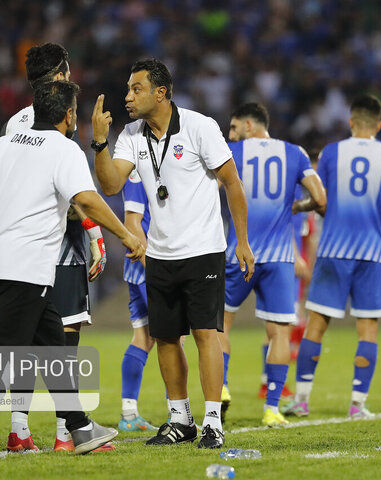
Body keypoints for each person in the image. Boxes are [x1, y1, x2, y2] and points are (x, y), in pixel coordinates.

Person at [0, 80, 144, 458]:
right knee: (3, 355)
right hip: (27, 266)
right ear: (70, 115)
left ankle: (80, 427)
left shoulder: (3, 144)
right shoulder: (64, 149)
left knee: (52, 344)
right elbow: (86, 199)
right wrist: (125, 235)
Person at [91, 58, 254, 449]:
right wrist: (99, 142)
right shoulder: (131, 134)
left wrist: (242, 241)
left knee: (205, 334)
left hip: (203, 251)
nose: (128, 97)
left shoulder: (200, 127)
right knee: (165, 338)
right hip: (159, 253)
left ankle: (213, 421)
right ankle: (180, 418)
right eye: (129, 89)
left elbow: (232, 183)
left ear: (161, 93)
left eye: (137, 89)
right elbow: (111, 184)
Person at [1, 42, 111, 453]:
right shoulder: (62, 117)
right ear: (62, 72)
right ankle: (69, 433)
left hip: (21, 242)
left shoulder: (15, 123)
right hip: (61, 240)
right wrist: (96, 233)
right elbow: (73, 191)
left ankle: (19, 429)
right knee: (66, 330)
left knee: (27, 337)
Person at [282, 94, 381, 419]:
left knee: (316, 326)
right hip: (371, 254)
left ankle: (301, 400)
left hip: (333, 251)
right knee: (368, 329)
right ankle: (357, 404)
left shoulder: (332, 152)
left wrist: (311, 209)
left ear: (351, 122)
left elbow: (320, 198)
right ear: (379, 125)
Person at [219, 102, 326, 426]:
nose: (231, 134)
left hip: (239, 252)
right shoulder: (295, 153)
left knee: (220, 324)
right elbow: (320, 200)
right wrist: (297, 206)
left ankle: (221, 387)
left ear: (250, 125)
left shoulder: (231, 151)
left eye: (235, 127)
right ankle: (272, 409)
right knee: (279, 334)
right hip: (280, 259)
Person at [118, 168, 158, 432]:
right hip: (149, 264)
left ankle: (129, 414)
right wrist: (153, 267)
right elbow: (132, 221)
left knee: (144, 337)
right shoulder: (138, 172)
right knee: (174, 337)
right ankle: (179, 414)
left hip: (145, 265)